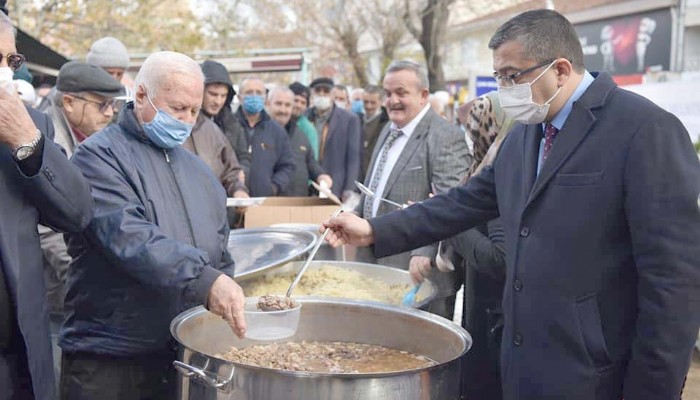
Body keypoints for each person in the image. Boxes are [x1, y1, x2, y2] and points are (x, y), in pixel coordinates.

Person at [323, 9, 700, 400]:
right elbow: (464, 202)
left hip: (596, 374)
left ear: (560, 69)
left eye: (511, 76)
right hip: (523, 366)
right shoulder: (525, 135)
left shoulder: (643, 130)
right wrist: (374, 229)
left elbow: (674, 284)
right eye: (499, 76)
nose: (503, 89)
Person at [59, 51, 247, 400]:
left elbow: (220, 251)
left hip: (179, 354)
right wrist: (205, 280)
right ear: (141, 95)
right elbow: (130, 237)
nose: (187, 120)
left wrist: (224, 298)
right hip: (111, 356)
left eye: (194, 111)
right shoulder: (98, 157)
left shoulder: (200, 173)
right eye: (177, 108)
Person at [0, 8, 93, 399]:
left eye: (10, 61)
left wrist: (27, 141)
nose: (6, 73)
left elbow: (77, 211)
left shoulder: (30, 124)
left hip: (17, 353)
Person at [357, 60, 470, 320]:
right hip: (378, 265)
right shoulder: (389, 128)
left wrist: (425, 251)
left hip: (419, 274)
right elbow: (375, 186)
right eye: (387, 94)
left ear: (423, 95)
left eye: (401, 93)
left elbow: (450, 204)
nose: (392, 100)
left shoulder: (444, 136)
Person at [439, 92, 510, 400]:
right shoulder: (481, 170)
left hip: (498, 317)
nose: (470, 137)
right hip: (482, 307)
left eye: (475, 127)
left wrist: (451, 225)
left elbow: (498, 257)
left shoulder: (504, 176)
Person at [47, 61, 125, 157]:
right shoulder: (51, 143)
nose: (110, 113)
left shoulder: (86, 133)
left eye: (112, 103)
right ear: (69, 103)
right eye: (102, 105)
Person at [267, 86, 332, 196]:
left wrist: (321, 176)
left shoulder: (300, 135)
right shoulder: (258, 132)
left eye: (287, 105)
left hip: (297, 204)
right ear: (268, 104)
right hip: (266, 204)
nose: (283, 110)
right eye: (278, 104)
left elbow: (311, 163)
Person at [306, 77, 361, 200]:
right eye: (318, 91)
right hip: (308, 184)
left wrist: (349, 189)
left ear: (332, 94)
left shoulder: (349, 119)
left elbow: (353, 158)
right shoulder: (305, 116)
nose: (321, 94)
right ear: (312, 94)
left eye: (326, 91)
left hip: (335, 185)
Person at [361, 84, 389, 177]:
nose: (369, 106)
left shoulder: (388, 123)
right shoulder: (356, 120)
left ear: (381, 102)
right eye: (366, 102)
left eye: (373, 102)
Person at [289, 81, 319, 159]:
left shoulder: (309, 130)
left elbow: (312, 159)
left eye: (303, 103)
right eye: (296, 100)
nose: (299, 105)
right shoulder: (277, 121)